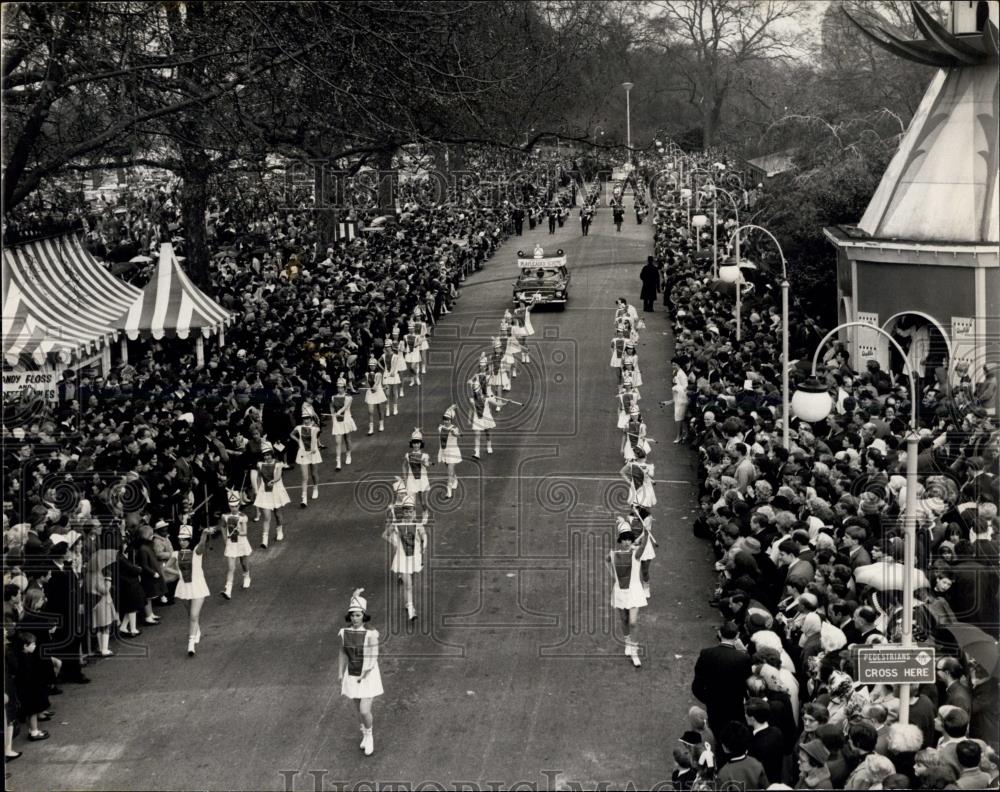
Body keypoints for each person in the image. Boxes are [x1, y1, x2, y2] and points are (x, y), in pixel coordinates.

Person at [338, 588, 383, 756]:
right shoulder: (345, 633)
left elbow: (373, 655)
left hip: (368, 675)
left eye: (358, 615)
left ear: (364, 616)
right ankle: (364, 733)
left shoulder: (371, 634)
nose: (355, 618)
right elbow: (342, 652)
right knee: (358, 709)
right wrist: (340, 672)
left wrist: (366, 672)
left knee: (365, 710)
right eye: (352, 615)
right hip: (352, 673)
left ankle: (370, 735)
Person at [692, 621, 753, 736]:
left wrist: (709, 699)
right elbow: (747, 684)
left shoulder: (706, 654)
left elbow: (697, 686)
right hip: (735, 705)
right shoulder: (743, 658)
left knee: (715, 731)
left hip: (714, 705)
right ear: (737, 635)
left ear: (719, 633)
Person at [607, 517, 650, 667]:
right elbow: (608, 561)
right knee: (624, 620)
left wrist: (647, 530)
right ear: (620, 541)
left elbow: (644, 544)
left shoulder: (636, 553)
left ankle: (634, 650)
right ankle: (627, 642)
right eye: (624, 539)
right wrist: (613, 576)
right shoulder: (615, 554)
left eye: (629, 539)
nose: (626, 542)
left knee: (633, 622)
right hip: (620, 590)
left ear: (632, 540)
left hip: (634, 591)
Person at [382, 496, 426, 621]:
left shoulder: (417, 524)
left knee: (411, 583)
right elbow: (385, 535)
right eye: (406, 511)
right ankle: (411, 611)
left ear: (414, 512)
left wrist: (424, 545)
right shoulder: (397, 524)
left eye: (410, 511)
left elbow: (424, 536)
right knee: (408, 585)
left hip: (415, 558)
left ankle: (408, 603)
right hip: (402, 559)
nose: (408, 513)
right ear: (403, 512)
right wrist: (394, 539)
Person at [173, 523, 214, 656]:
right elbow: (166, 568)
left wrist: (204, 534)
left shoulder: (196, 552)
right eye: (180, 539)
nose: (182, 542)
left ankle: (191, 644)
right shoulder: (176, 554)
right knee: (191, 615)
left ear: (190, 540)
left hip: (198, 586)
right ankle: (196, 629)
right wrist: (177, 574)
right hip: (183, 586)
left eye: (184, 539)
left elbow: (202, 545)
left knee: (194, 615)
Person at [252, 441, 289, 547]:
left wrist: (273, 481)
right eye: (264, 455)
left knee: (278, 514)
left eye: (268, 455)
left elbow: (278, 476)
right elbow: (259, 477)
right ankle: (264, 540)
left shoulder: (278, 464)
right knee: (266, 517)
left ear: (272, 454)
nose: (266, 457)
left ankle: (279, 530)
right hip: (265, 493)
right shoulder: (260, 464)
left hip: (276, 491)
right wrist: (258, 489)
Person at [220, 489, 252, 599]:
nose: (234, 508)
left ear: (239, 505)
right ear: (229, 506)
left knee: (244, 563)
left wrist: (236, 531)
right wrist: (225, 540)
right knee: (231, 567)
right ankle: (228, 590)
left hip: (242, 543)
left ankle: (246, 576)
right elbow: (223, 527)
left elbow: (245, 532)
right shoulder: (225, 516)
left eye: (236, 506)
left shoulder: (243, 516)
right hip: (231, 544)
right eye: (232, 506)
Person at [291, 411, 322, 508]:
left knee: (314, 473)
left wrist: (313, 448)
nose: (306, 420)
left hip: (313, 453)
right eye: (304, 418)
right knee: (305, 477)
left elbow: (314, 439)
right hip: (303, 453)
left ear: (311, 419)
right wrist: (298, 441)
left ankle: (315, 488)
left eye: (308, 418)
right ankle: (303, 498)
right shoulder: (298, 428)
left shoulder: (315, 428)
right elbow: (291, 434)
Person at [469, 377, 504, 459]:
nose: (477, 392)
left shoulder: (487, 398)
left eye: (478, 390)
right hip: (477, 418)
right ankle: (477, 453)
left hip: (486, 417)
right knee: (477, 435)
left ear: (480, 390)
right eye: (475, 391)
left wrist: (504, 403)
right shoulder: (472, 399)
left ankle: (489, 446)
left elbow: (497, 403)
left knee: (487, 433)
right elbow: (473, 406)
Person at [403, 429, 431, 519]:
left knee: (423, 501)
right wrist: (405, 478)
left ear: (421, 444)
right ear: (412, 444)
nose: (416, 445)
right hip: (411, 480)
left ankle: (425, 512)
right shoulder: (408, 455)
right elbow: (404, 466)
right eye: (414, 443)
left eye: (418, 443)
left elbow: (427, 465)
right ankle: (412, 517)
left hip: (422, 480)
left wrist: (424, 462)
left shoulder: (425, 456)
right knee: (411, 501)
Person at [329, 376, 356, 470]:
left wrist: (339, 412)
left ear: (344, 388)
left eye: (341, 387)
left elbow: (345, 407)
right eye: (338, 387)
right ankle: (338, 462)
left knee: (347, 439)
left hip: (346, 419)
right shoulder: (333, 397)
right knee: (337, 442)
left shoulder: (349, 397)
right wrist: (333, 416)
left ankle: (348, 454)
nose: (339, 389)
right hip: (337, 421)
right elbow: (331, 407)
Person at [437, 405, 462, 498]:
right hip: (444, 452)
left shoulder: (454, 429)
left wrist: (456, 434)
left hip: (453, 452)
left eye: (448, 419)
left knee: (449, 472)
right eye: (445, 419)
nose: (446, 421)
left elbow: (457, 435)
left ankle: (449, 491)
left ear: (451, 420)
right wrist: (451, 407)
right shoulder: (440, 428)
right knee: (449, 469)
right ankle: (455, 480)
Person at [362, 356, 388, 436]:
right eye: (370, 365)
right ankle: (371, 428)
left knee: (380, 410)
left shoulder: (379, 374)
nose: (372, 367)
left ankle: (381, 424)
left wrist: (373, 387)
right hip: (370, 392)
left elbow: (376, 385)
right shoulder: (366, 374)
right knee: (370, 411)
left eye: (373, 365)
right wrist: (367, 385)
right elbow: (367, 383)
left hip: (378, 392)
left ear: (376, 365)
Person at [380, 336, 404, 416]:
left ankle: (395, 408)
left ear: (391, 347)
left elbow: (396, 366)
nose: (387, 348)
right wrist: (383, 369)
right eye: (386, 347)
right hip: (386, 375)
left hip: (394, 376)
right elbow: (378, 361)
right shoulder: (383, 355)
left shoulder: (396, 356)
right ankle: (387, 409)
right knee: (387, 393)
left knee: (394, 392)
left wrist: (393, 372)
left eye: (388, 347)